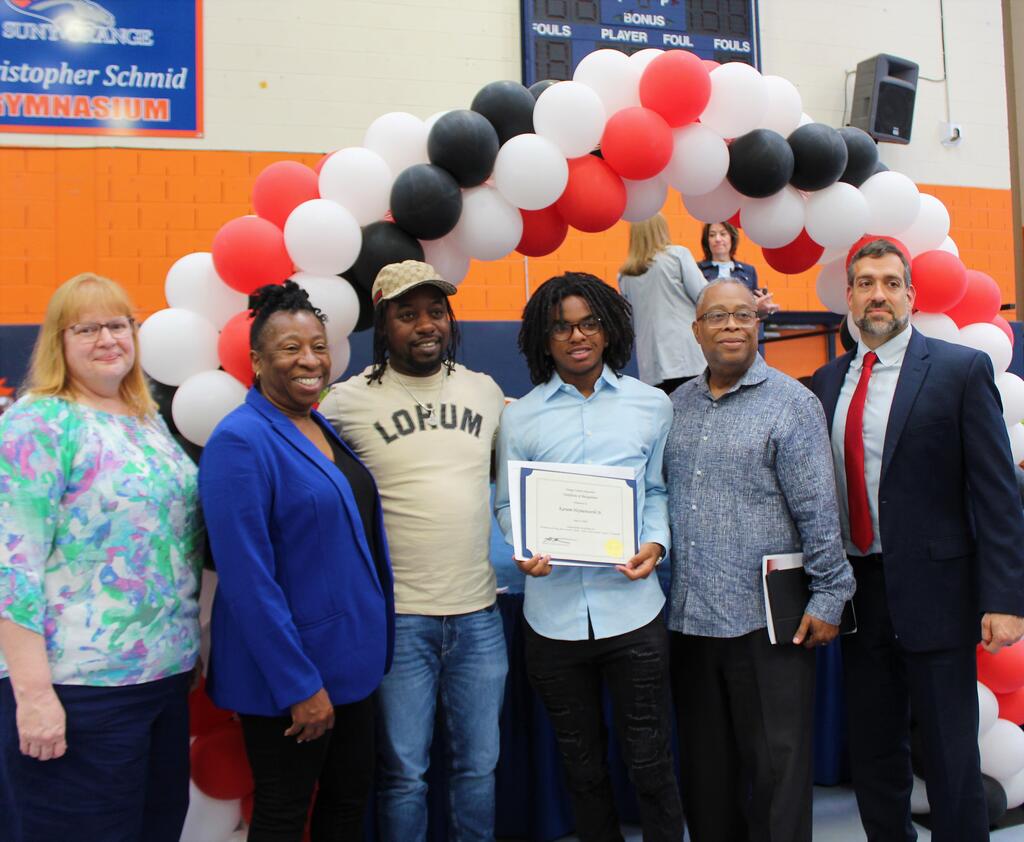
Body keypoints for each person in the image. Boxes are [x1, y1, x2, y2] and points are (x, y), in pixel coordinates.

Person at [809, 238, 1024, 842]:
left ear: (910, 294)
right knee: (875, 751)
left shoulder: (958, 370)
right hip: (857, 595)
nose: (878, 294)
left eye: (890, 282)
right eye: (865, 282)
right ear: (849, 296)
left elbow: (997, 496)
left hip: (939, 594)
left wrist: (1004, 598)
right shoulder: (825, 383)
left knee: (950, 754)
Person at [0, 273, 204, 842]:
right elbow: (9, 566)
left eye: (118, 324)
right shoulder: (39, 422)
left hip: (161, 680)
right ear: (57, 343)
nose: (107, 338)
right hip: (78, 691)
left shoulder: (146, 420)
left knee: (155, 828)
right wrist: (35, 696)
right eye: (86, 328)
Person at [319, 260, 507, 842]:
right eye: (408, 314)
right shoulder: (343, 404)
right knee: (404, 774)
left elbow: (518, 483)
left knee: (479, 768)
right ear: (383, 323)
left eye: (435, 312)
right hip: (398, 622)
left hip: (479, 615)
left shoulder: (485, 391)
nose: (426, 325)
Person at [199, 281, 394, 842]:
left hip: (351, 669)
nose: (310, 359)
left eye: (318, 345)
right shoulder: (241, 441)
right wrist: (298, 686)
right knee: (284, 815)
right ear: (257, 361)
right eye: (290, 348)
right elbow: (247, 581)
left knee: (344, 807)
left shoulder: (316, 423)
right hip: (294, 679)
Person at [494, 272, 684, 842]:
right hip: (552, 620)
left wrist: (655, 543)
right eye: (561, 327)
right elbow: (507, 502)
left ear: (608, 330)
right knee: (581, 769)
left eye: (588, 323)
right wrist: (523, 543)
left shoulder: (651, 406)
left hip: (633, 613)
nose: (576, 336)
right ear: (542, 339)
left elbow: (656, 490)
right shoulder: (520, 416)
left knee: (651, 763)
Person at [665, 277, 854, 842]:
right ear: (696, 330)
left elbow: (820, 510)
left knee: (778, 772)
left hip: (769, 625)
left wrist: (829, 596)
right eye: (717, 317)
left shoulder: (792, 403)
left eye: (742, 316)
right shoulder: (677, 405)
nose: (730, 326)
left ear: (758, 324)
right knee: (707, 775)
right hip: (690, 621)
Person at [617, 213, 707, 394]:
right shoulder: (677, 255)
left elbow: (630, 321)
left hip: (651, 363)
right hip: (686, 355)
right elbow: (705, 296)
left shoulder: (625, 275)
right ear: (661, 229)